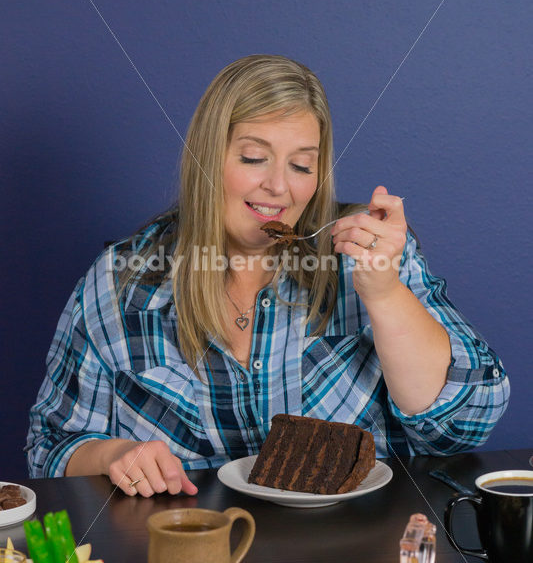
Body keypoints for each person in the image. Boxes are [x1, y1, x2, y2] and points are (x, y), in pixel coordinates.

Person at [26, 54, 510, 498]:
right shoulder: (121, 278)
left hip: (356, 542)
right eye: (253, 158)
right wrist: (114, 455)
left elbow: (464, 427)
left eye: (301, 164)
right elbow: (50, 444)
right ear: (206, 159)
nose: (279, 186)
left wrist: (384, 295)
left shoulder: (371, 256)